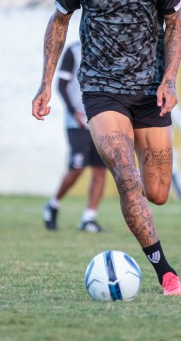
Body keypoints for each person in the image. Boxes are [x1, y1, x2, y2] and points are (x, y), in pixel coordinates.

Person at [32, 0, 181, 296]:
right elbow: (59, 22)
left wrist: (169, 78)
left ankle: (147, 218)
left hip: (150, 91)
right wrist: (46, 83)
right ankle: (165, 272)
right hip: (102, 91)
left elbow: (174, 25)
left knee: (157, 192)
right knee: (124, 172)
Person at [43, 41, 108, 233]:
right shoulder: (74, 51)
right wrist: (74, 112)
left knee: (100, 170)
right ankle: (53, 204)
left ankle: (88, 218)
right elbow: (62, 85)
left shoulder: (108, 49)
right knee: (77, 167)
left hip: (101, 121)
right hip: (77, 122)